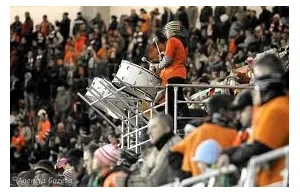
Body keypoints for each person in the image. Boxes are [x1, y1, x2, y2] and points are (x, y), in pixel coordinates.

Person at [218, 54, 289, 186]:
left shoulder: (278, 108)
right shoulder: (271, 107)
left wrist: (229, 155)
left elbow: (259, 148)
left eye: (256, 79)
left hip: (275, 182)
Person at [169, 94, 237, 178]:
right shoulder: (233, 133)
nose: (235, 113)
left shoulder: (197, 132)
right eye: (233, 109)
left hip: (194, 183)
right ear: (222, 111)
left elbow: (173, 154)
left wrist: (185, 175)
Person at [115, 113, 181, 187]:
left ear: (166, 128)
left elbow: (155, 181)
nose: (148, 132)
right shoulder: (157, 148)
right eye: (148, 128)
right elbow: (143, 173)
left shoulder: (174, 147)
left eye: (153, 127)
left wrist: (125, 182)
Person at [153, 21, 188, 117]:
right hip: (181, 73)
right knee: (179, 98)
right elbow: (178, 56)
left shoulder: (172, 40)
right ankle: (184, 117)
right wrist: (164, 55)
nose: (165, 33)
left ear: (171, 31)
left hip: (173, 73)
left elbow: (167, 60)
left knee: (171, 101)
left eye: (166, 31)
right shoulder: (182, 41)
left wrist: (157, 66)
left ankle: (171, 120)